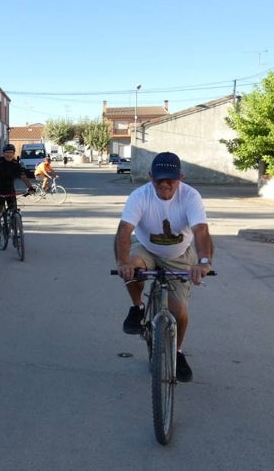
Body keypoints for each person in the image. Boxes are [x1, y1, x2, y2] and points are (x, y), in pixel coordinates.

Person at [114, 152, 214, 383]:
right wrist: (122, 263)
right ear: (150, 176)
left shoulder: (190, 196)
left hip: (179, 255)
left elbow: (201, 231)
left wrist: (204, 262)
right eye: (159, 179)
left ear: (181, 177)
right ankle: (137, 307)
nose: (164, 184)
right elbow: (124, 231)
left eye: (171, 179)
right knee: (132, 267)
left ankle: (177, 353)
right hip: (146, 248)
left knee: (179, 312)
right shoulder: (140, 196)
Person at [0, 144, 36, 229]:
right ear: (3, 153)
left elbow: (23, 177)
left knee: (13, 208)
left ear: (14, 153)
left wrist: (30, 187)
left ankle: (14, 227)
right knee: (0, 204)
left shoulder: (16, 163)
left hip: (10, 189)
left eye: (11, 152)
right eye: (7, 152)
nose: (9, 154)